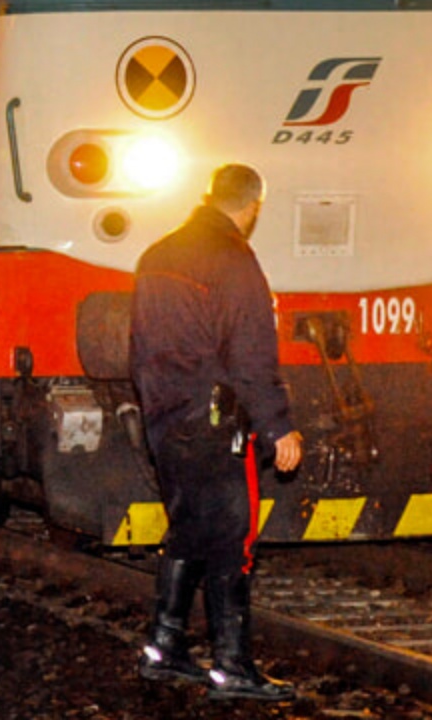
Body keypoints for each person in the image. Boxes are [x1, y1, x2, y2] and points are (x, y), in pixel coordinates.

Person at [129, 163, 303, 701]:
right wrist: (278, 426)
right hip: (215, 421)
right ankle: (232, 665)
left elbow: (136, 348)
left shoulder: (156, 255)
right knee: (233, 539)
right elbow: (250, 354)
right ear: (252, 206)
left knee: (187, 531)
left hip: (166, 415)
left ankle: (164, 649)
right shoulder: (233, 260)